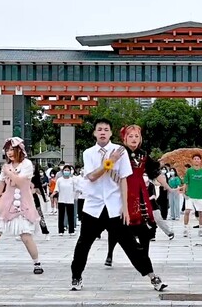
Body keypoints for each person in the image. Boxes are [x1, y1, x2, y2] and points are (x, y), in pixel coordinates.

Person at [70, 119, 167, 292]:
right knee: (84, 244)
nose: (102, 132)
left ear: (110, 133)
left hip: (114, 207)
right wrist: (110, 162)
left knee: (131, 244)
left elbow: (124, 180)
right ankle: (76, 276)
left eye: (106, 130)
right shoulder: (88, 153)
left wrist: (126, 206)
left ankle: (152, 276)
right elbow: (92, 176)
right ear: (94, 133)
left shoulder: (119, 151)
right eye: (99, 129)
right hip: (93, 206)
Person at [105, 124, 175, 267]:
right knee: (117, 226)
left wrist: (169, 188)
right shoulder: (117, 152)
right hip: (121, 191)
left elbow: (154, 172)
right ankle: (110, 254)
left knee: (144, 227)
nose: (134, 139)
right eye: (130, 136)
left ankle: (145, 257)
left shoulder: (143, 154)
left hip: (138, 192)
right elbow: (106, 167)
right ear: (124, 138)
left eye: (137, 136)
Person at [0, 137, 43, 274]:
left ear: (20, 150)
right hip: (6, 202)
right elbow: (0, 186)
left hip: (24, 203)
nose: (9, 152)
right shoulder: (6, 167)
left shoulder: (27, 164)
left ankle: (37, 263)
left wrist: (8, 173)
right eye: (7, 150)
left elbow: (20, 182)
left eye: (12, 149)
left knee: (26, 235)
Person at [182, 154, 202, 237]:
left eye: (198, 159)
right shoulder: (189, 171)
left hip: (200, 195)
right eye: (195, 159)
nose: (196, 160)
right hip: (190, 195)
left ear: (200, 161)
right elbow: (186, 182)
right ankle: (185, 229)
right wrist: (183, 192)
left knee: (200, 213)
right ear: (192, 160)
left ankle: (200, 229)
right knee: (187, 211)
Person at [54, 165, 76, 236]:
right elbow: (56, 189)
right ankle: (61, 230)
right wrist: (52, 196)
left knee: (71, 216)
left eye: (68, 170)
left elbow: (75, 189)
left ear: (70, 171)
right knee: (61, 216)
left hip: (70, 200)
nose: (66, 172)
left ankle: (71, 231)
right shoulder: (59, 180)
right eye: (65, 170)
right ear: (63, 171)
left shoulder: (72, 180)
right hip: (61, 200)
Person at [30, 163, 51, 240]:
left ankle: (46, 232)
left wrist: (36, 191)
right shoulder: (24, 176)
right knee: (24, 216)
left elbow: (39, 189)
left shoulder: (35, 177)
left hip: (34, 198)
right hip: (25, 198)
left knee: (39, 215)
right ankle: (24, 232)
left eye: (33, 167)